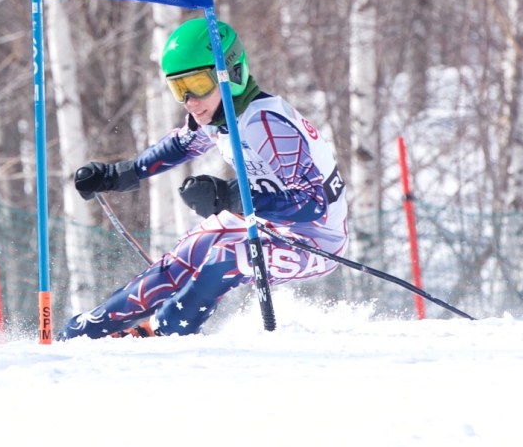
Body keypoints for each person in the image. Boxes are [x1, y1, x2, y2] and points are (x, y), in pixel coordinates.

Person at [57, 18, 348, 339]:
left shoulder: (264, 122)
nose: (189, 100)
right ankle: (86, 330)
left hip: (315, 243)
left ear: (232, 74)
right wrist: (117, 175)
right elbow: (181, 144)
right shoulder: (219, 115)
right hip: (266, 224)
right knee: (189, 251)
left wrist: (229, 196)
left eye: (197, 84)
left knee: (227, 257)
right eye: (178, 88)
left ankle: (160, 334)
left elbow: (311, 205)